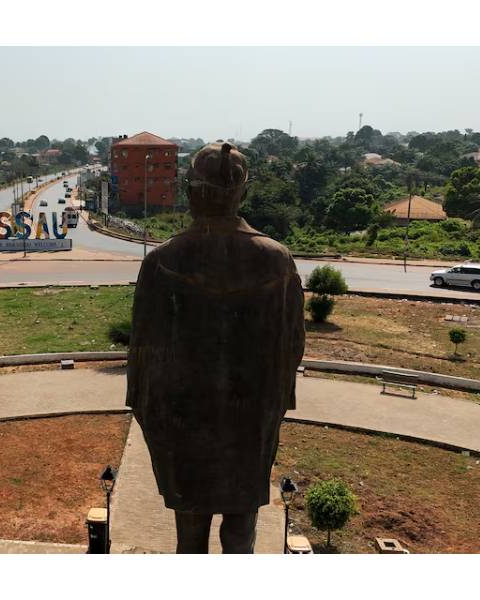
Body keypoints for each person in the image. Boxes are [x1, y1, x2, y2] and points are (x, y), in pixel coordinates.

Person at [126, 142, 306, 553]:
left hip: (183, 422)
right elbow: (292, 348)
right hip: (250, 421)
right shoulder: (277, 260)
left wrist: (152, 421)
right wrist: (270, 412)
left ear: (191, 191)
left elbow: (143, 360)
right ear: (242, 192)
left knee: (190, 537)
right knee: (241, 530)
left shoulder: (162, 262)